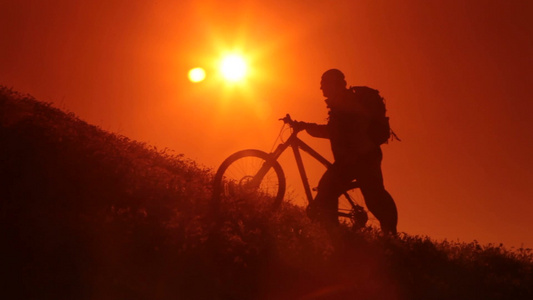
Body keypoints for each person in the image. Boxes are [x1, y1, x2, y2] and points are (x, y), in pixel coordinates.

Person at [295, 69, 398, 235]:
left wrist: (353, 151)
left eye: (324, 84)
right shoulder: (339, 103)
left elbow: (351, 127)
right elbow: (333, 131)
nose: (321, 89)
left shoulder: (347, 101)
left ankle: (335, 233)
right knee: (336, 190)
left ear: (334, 83)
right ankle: (333, 232)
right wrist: (306, 126)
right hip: (357, 157)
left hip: (361, 157)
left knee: (372, 197)